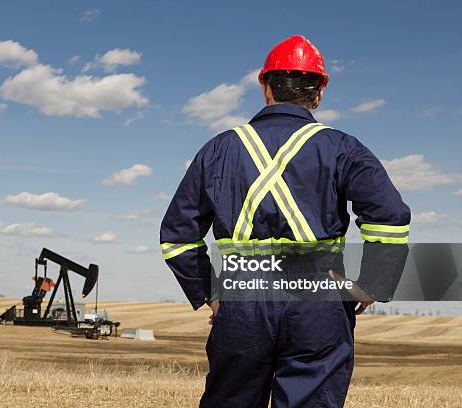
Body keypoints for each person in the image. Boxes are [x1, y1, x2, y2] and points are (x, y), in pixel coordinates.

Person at [159, 35, 410, 407]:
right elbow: (390, 218)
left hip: (243, 300)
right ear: (319, 93)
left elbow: (178, 235)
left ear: (265, 87)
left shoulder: (219, 148)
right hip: (319, 303)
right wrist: (373, 283)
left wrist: (210, 294)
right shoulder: (344, 148)